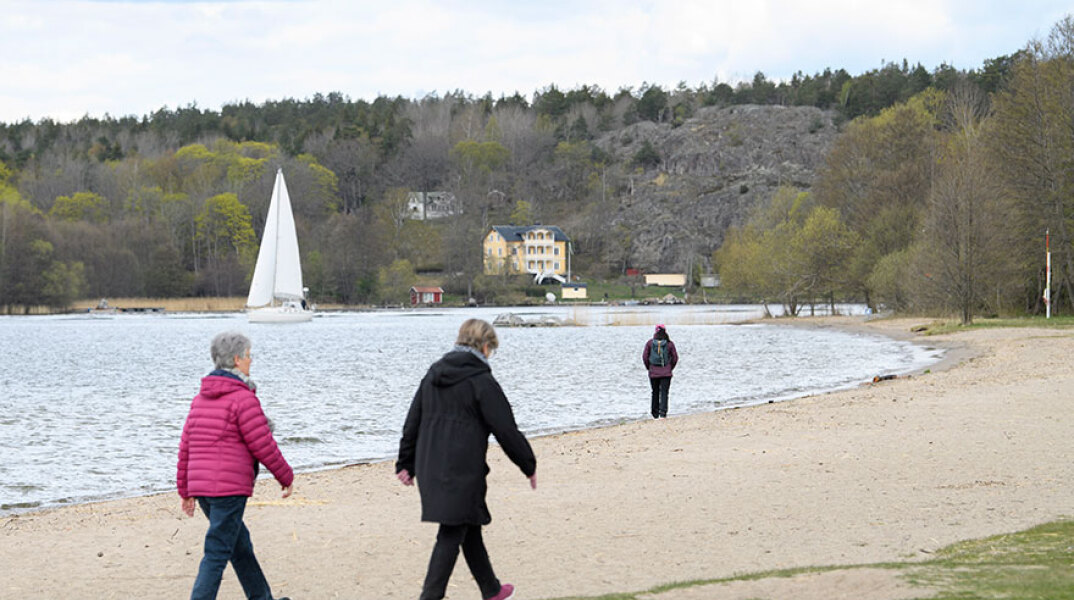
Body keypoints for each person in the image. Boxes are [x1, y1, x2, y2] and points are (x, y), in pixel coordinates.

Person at [396, 318, 536, 600]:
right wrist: (528, 464)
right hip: (462, 469)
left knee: (468, 524)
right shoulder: (481, 381)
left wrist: (406, 463)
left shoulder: (434, 373)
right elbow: (505, 428)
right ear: (484, 346)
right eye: (491, 349)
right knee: (451, 531)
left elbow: (412, 420)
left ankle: (491, 589)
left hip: (430, 467)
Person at [177, 331, 294, 600]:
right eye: (249, 356)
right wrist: (285, 475)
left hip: (205, 490)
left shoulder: (200, 399)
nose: (251, 361)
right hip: (228, 490)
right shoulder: (243, 398)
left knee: (240, 546)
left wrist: (186, 489)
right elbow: (262, 443)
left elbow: (186, 447)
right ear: (237, 359)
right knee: (217, 552)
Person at [643, 324, 679, 418]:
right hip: (666, 373)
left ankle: (655, 414)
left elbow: (645, 357)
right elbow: (675, 358)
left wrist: (649, 368)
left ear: (655, 332)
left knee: (654, 392)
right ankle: (663, 413)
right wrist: (670, 368)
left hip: (653, 372)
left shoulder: (650, 343)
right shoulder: (670, 344)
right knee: (664, 392)